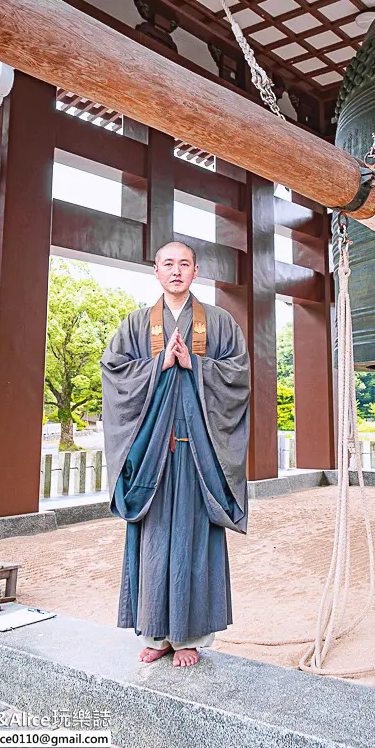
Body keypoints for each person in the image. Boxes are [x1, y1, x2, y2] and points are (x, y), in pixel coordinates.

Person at [101, 241, 250, 668]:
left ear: (196, 271)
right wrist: (158, 365)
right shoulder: (135, 325)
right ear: (156, 272)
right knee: (153, 541)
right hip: (153, 457)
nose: (176, 271)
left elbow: (238, 376)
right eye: (168, 264)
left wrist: (196, 365)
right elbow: (113, 372)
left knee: (195, 542)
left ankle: (190, 637)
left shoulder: (219, 323)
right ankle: (156, 633)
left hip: (200, 457)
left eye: (184, 264)